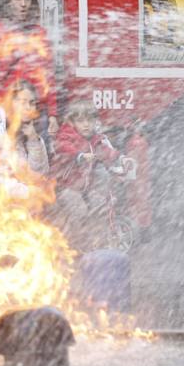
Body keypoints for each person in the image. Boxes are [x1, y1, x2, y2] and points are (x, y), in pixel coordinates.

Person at [0, 0, 58, 136]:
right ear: (7, 1)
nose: (23, 4)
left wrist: (52, 115)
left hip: (37, 116)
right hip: (6, 116)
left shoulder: (40, 34)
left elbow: (49, 78)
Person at [50, 100, 127, 252]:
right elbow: (63, 146)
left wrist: (120, 157)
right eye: (80, 121)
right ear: (72, 122)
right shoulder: (67, 136)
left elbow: (105, 151)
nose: (86, 125)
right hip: (66, 186)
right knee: (79, 209)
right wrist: (79, 155)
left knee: (101, 203)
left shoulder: (95, 139)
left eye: (89, 120)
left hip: (85, 186)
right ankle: (72, 243)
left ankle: (96, 239)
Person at [0, 80, 50, 201]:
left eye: (32, 103)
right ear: (11, 102)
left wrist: (33, 140)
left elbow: (38, 174)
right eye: (23, 102)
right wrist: (25, 192)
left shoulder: (22, 130)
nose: (28, 108)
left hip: (17, 205)